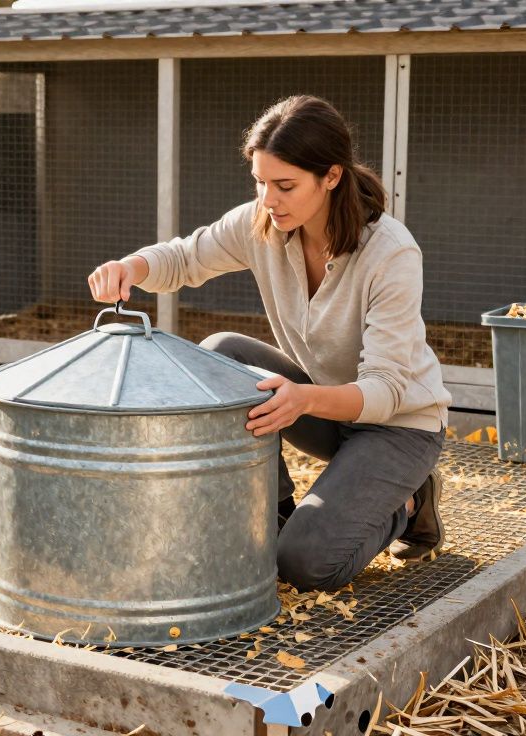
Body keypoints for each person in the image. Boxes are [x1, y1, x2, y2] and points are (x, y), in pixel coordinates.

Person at [87, 95, 452, 593]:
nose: (268, 200)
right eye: (260, 182)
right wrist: (130, 267)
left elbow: (386, 390)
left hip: (398, 426)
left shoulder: (391, 253)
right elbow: (183, 258)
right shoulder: (262, 223)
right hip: (326, 410)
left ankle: (408, 506)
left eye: (285, 186)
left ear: (332, 176)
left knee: (306, 565)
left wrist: (302, 399)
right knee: (223, 353)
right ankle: (275, 512)